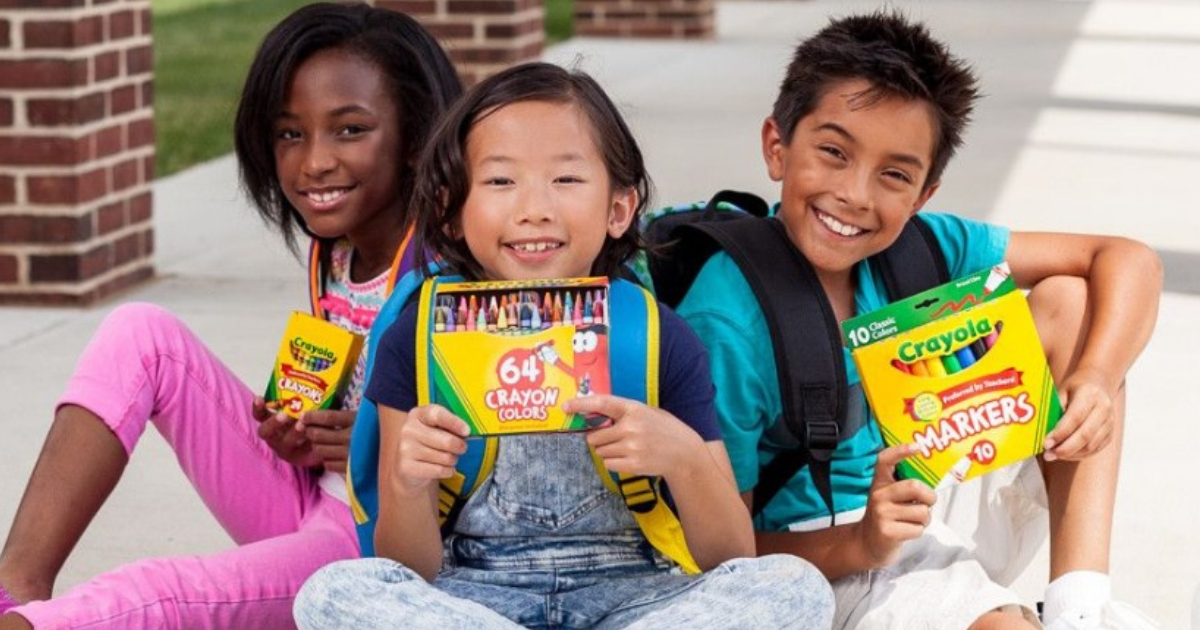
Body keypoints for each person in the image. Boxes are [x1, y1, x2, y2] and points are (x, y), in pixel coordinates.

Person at [292, 61, 835, 630]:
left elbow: (729, 554)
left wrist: (682, 457)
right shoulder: (418, 338)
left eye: (567, 179)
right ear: (451, 210)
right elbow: (409, 566)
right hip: (474, 593)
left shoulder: (657, 335)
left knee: (792, 588)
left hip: (633, 593)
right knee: (332, 593)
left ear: (619, 209)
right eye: (500, 181)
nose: (534, 208)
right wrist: (409, 483)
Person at [672, 10, 1162, 630]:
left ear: (924, 193)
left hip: (932, 486)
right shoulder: (727, 322)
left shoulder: (923, 245)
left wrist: (1094, 376)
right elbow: (723, 558)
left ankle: (1080, 605)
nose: (856, 195)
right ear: (777, 146)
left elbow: (1128, 258)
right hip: (822, 552)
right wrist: (863, 544)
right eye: (833, 152)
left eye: (894, 175)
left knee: (1072, 301)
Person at [0, 4, 462, 629]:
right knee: (141, 334)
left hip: (368, 544)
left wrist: (373, 441)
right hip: (310, 498)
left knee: (160, 591)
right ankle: (14, 589)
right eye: (289, 134)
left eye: (350, 130)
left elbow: (501, 450)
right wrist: (296, 430)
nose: (313, 162)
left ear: (415, 137)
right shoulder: (337, 251)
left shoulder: (451, 271)